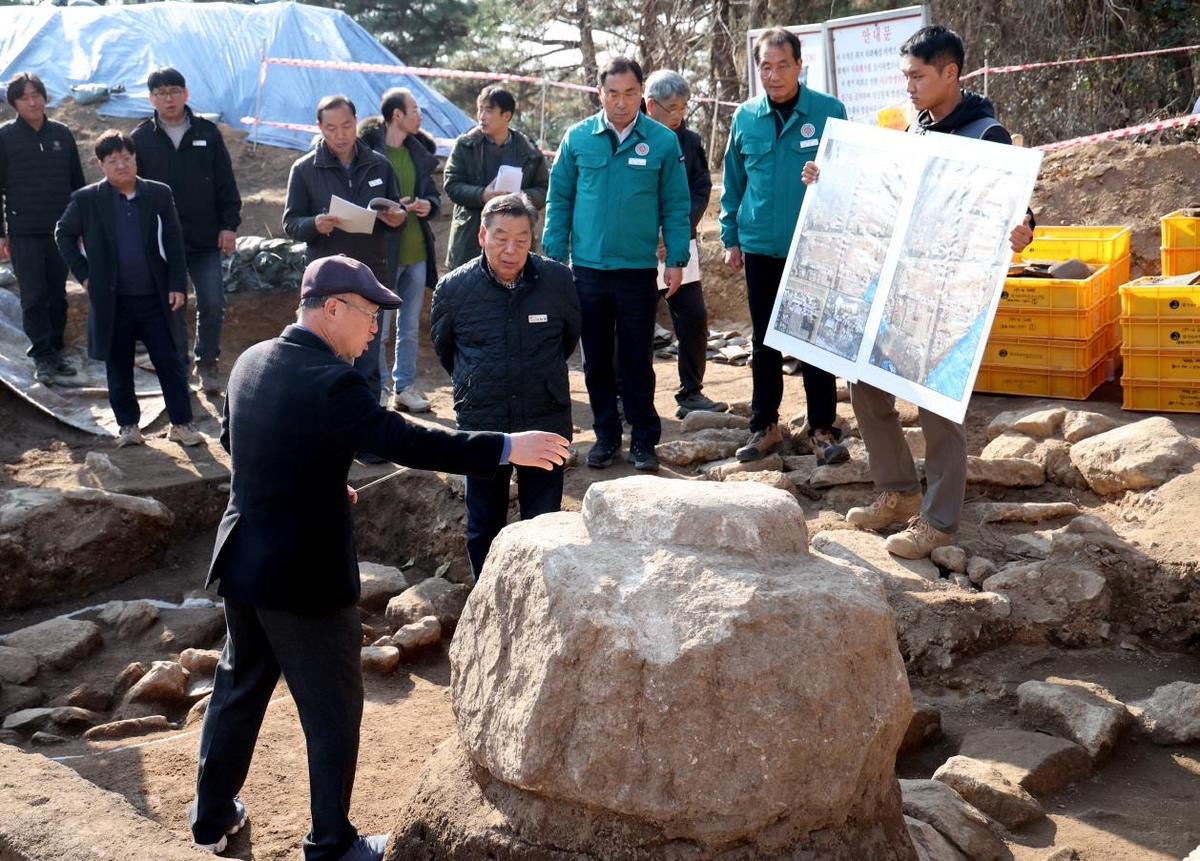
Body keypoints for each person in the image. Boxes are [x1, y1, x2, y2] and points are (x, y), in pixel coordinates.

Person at [189, 254, 568, 861]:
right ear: (332, 308)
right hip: (303, 577)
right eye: (370, 315)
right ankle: (332, 843)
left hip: (243, 559)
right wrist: (505, 446)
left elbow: (244, 441)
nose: (377, 330)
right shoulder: (333, 383)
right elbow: (407, 440)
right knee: (333, 709)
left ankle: (210, 819)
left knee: (239, 685)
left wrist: (312, 476)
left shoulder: (250, 361)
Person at [802, 24, 1034, 560]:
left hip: (952, 300)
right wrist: (826, 178)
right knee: (864, 383)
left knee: (938, 407)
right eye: (905, 75)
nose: (908, 86)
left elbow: (1016, 212)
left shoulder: (987, 136)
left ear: (950, 73)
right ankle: (899, 493)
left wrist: (1024, 230)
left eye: (917, 76)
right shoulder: (917, 129)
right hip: (898, 288)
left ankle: (939, 520)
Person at [544, 56, 691, 473]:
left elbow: (676, 205)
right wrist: (555, 259)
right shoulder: (577, 139)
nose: (621, 102)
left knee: (636, 358)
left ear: (641, 93)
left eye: (630, 93)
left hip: (637, 270)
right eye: (613, 93)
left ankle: (644, 439)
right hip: (586, 270)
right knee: (596, 361)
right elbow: (560, 202)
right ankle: (606, 435)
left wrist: (676, 258)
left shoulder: (662, 141)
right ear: (599, 93)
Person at [430, 193, 580, 578]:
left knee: (544, 524)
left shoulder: (558, 280)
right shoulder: (453, 290)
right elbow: (447, 351)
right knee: (484, 526)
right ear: (481, 235)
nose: (511, 249)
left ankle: (538, 600)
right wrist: (477, 382)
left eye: (522, 238)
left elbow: (568, 340)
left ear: (533, 238)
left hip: (544, 414)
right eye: (501, 238)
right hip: (483, 420)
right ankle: (486, 601)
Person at [719, 28, 850, 467]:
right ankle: (765, 426)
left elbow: (852, 179)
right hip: (759, 245)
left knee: (815, 342)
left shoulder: (829, 111)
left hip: (812, 246)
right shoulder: (745, 117)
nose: (773, 75)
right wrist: (730, 237)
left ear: (799, 65)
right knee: (764, 341)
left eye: (782, 65)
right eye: (765, 67)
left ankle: (822, 429)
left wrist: (827, 175)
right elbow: (733, 183)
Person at [54, 130, 203, 448]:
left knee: (170, 361)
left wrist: (177, 283)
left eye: (126, 157)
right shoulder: (88, 199)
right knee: (118, 364)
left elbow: (175, 241)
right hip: (113, 298)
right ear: (101, 165)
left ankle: (181, 423)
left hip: (155, 297)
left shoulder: (158, 194)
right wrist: (84, 275)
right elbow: (63, 234)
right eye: (113, 160)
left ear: (135, 158)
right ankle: (128, 426)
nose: (121, 165)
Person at [283, 94, 406, 426]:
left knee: (366, 356)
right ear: (320, 127)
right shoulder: (305, 169)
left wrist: (397, 217)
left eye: (347, 126)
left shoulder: (379, 164)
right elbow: (291, 222)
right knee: (324, 357)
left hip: (370, 274)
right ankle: (325, 433)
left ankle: (367, 435)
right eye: (332, 128)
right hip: (327, 281)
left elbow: (395, 210)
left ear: (356, 122)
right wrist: (315, 224)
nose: (340, 134)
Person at [132, 66, 243, 395]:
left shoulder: (207, 133)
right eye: (161, 93)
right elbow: (134, 191)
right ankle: (177, 367)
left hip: (204, 237)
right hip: (163, 242)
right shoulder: (141, 139)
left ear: (186, 94)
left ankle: (207, 363)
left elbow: (225, 182)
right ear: (151, 98)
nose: (169, 98)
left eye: (174, 91)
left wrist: (228, 226)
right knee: (172, 306)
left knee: (212, 301)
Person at [643, 70, 726, 419]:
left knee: (693, 317)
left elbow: (700, 189)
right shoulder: (634, 137)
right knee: (636, 322)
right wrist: (652, 233)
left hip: (681, 245)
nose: (679, 114)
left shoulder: (690, 142)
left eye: (684, 107)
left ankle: (691, 391)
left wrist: (674, 232)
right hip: (641, 248)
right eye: (673, 107)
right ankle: (627, 395)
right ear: (650, 106)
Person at [357, 87, 440, 414]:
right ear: (397, 115)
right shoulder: (367, 154)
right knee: (380, 327)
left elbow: (435, 198)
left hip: (417, 253)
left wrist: (425, 204)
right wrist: (383, 213)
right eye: (415, 109)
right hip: (382, 257)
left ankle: (404, 388)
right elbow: (360, 203)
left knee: (408, 327)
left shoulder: (417, 152)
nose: (420, 116)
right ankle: (377, 391)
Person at [0, 71, 85, 385]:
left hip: (60, 230)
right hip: (23, 231)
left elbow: (78, 185)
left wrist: (81, 226)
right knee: (33, 295)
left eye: (36, 95)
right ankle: (42, 357)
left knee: (57, 294)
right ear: (14, 104)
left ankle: (56, 352)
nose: (32, 102)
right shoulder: (5, 137)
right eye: (24, 97)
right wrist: (1, 233)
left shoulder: (62, 134)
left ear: (45, 97)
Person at [442, 85, 549, 272]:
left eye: (489, 111)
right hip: (471, 240)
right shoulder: (465, 145)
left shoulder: (528, 150)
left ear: (506, 116)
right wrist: (482, 195)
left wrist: (521, 197)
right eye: (480, 109)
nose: (482, 116)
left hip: (513, 246)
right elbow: (452, 184)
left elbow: (544, 189)